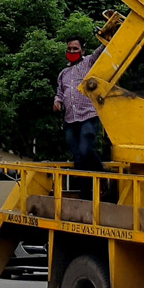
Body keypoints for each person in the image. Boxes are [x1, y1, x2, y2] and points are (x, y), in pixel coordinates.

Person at [54, 37, 107, 180]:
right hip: (70, 120)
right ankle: (86, 192)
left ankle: (102, 175)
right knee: (77, 158)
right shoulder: (63, 73)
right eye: (69, 49)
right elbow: (60, 92)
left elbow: (101, 51)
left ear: (82, 50)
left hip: (88, 116)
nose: (72, 51)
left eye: (75, 49)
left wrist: (108, 36)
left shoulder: (88, 62)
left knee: (85, 149)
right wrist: (57, 101)